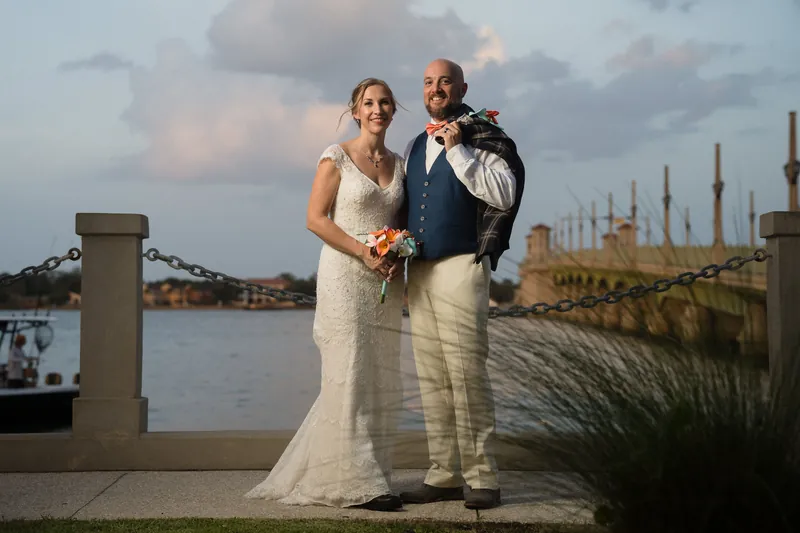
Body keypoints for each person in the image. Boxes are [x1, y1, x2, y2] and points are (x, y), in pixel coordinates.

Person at [245, 78, 407, 512]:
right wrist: (365, 252)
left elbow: (402, 224)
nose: (377, 109)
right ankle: (352, 483)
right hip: (344, 276)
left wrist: (395, 256)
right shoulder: (335, 156)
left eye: (385, 102)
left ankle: (372, 472)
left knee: (377, 375)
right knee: (349, 369)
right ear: (355, 111)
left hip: (384, 284)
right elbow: (315, 219)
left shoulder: (400, 163)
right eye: (368, 103)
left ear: (394, 111)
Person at [396, 58, 525, 510]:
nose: (436, 89)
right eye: (428, 81)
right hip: (422, 271)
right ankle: (444, 474)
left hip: (462, 266)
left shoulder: (483, 137)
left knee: (467, 374)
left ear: (462, 87)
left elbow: (505, 194)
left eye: (444, 81)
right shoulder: (412, 144)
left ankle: (483, 476)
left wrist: (458, 152)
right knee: (431, 377)